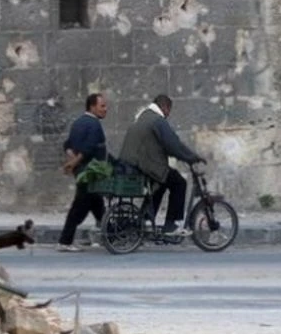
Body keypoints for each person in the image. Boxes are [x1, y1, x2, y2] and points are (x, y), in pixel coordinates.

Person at [119, 94, 204, 236]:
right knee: (178, 182)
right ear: (165, 107)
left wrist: (186, 155)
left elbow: (166, 144)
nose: (168, 115)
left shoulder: (144, 116)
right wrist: (191, 157)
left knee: (161, 182)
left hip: (132, 164)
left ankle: (145, 219)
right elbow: (173, 144)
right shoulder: (158, 120)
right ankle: (171, 225)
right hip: (142, 164)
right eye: (169, 111)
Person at [57, 93, 109, 252]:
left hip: (82, 171)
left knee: (97, 204)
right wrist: (74, 162)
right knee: (79, 207)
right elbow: (89, 148)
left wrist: (71, 157)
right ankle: (65, 241)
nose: (105, 109)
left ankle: (112, 234)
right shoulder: (94, 125)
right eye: (102, 106)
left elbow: (67, 144)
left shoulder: (78, 122)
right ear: (92, 107)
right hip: (89, 172)